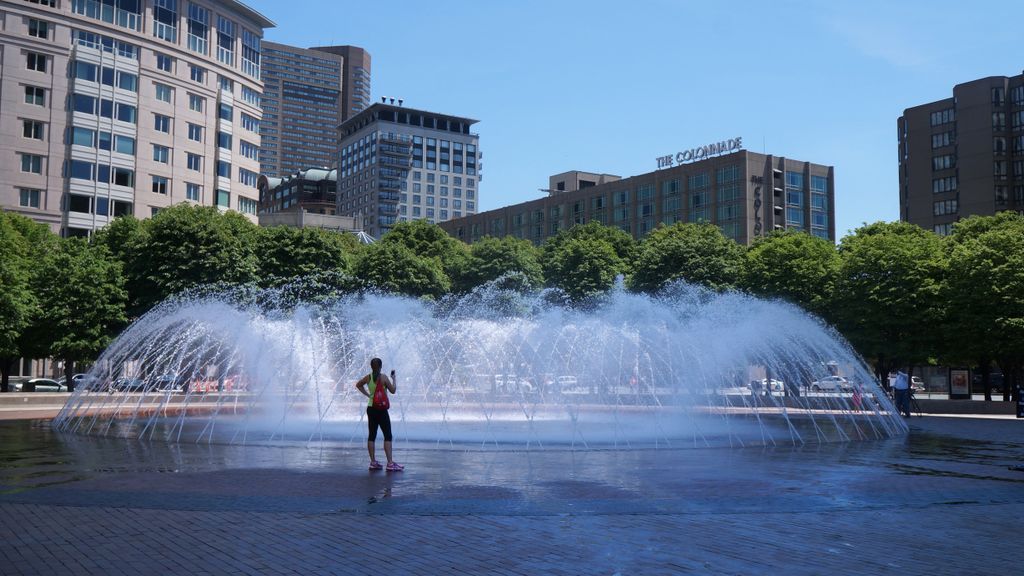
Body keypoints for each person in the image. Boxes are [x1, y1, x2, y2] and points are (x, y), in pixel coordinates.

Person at [354, 358, 403, 471]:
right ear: (381, 366)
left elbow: (358, 385)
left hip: (371, 408)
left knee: (372, 435)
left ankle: (373, 462)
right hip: (381, 409)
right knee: (388, 435)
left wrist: (368, 395)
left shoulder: (368, 377)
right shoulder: (384, 377)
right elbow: (393, 390)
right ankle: (390, 464)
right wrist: (394, 379)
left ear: (371, 367)